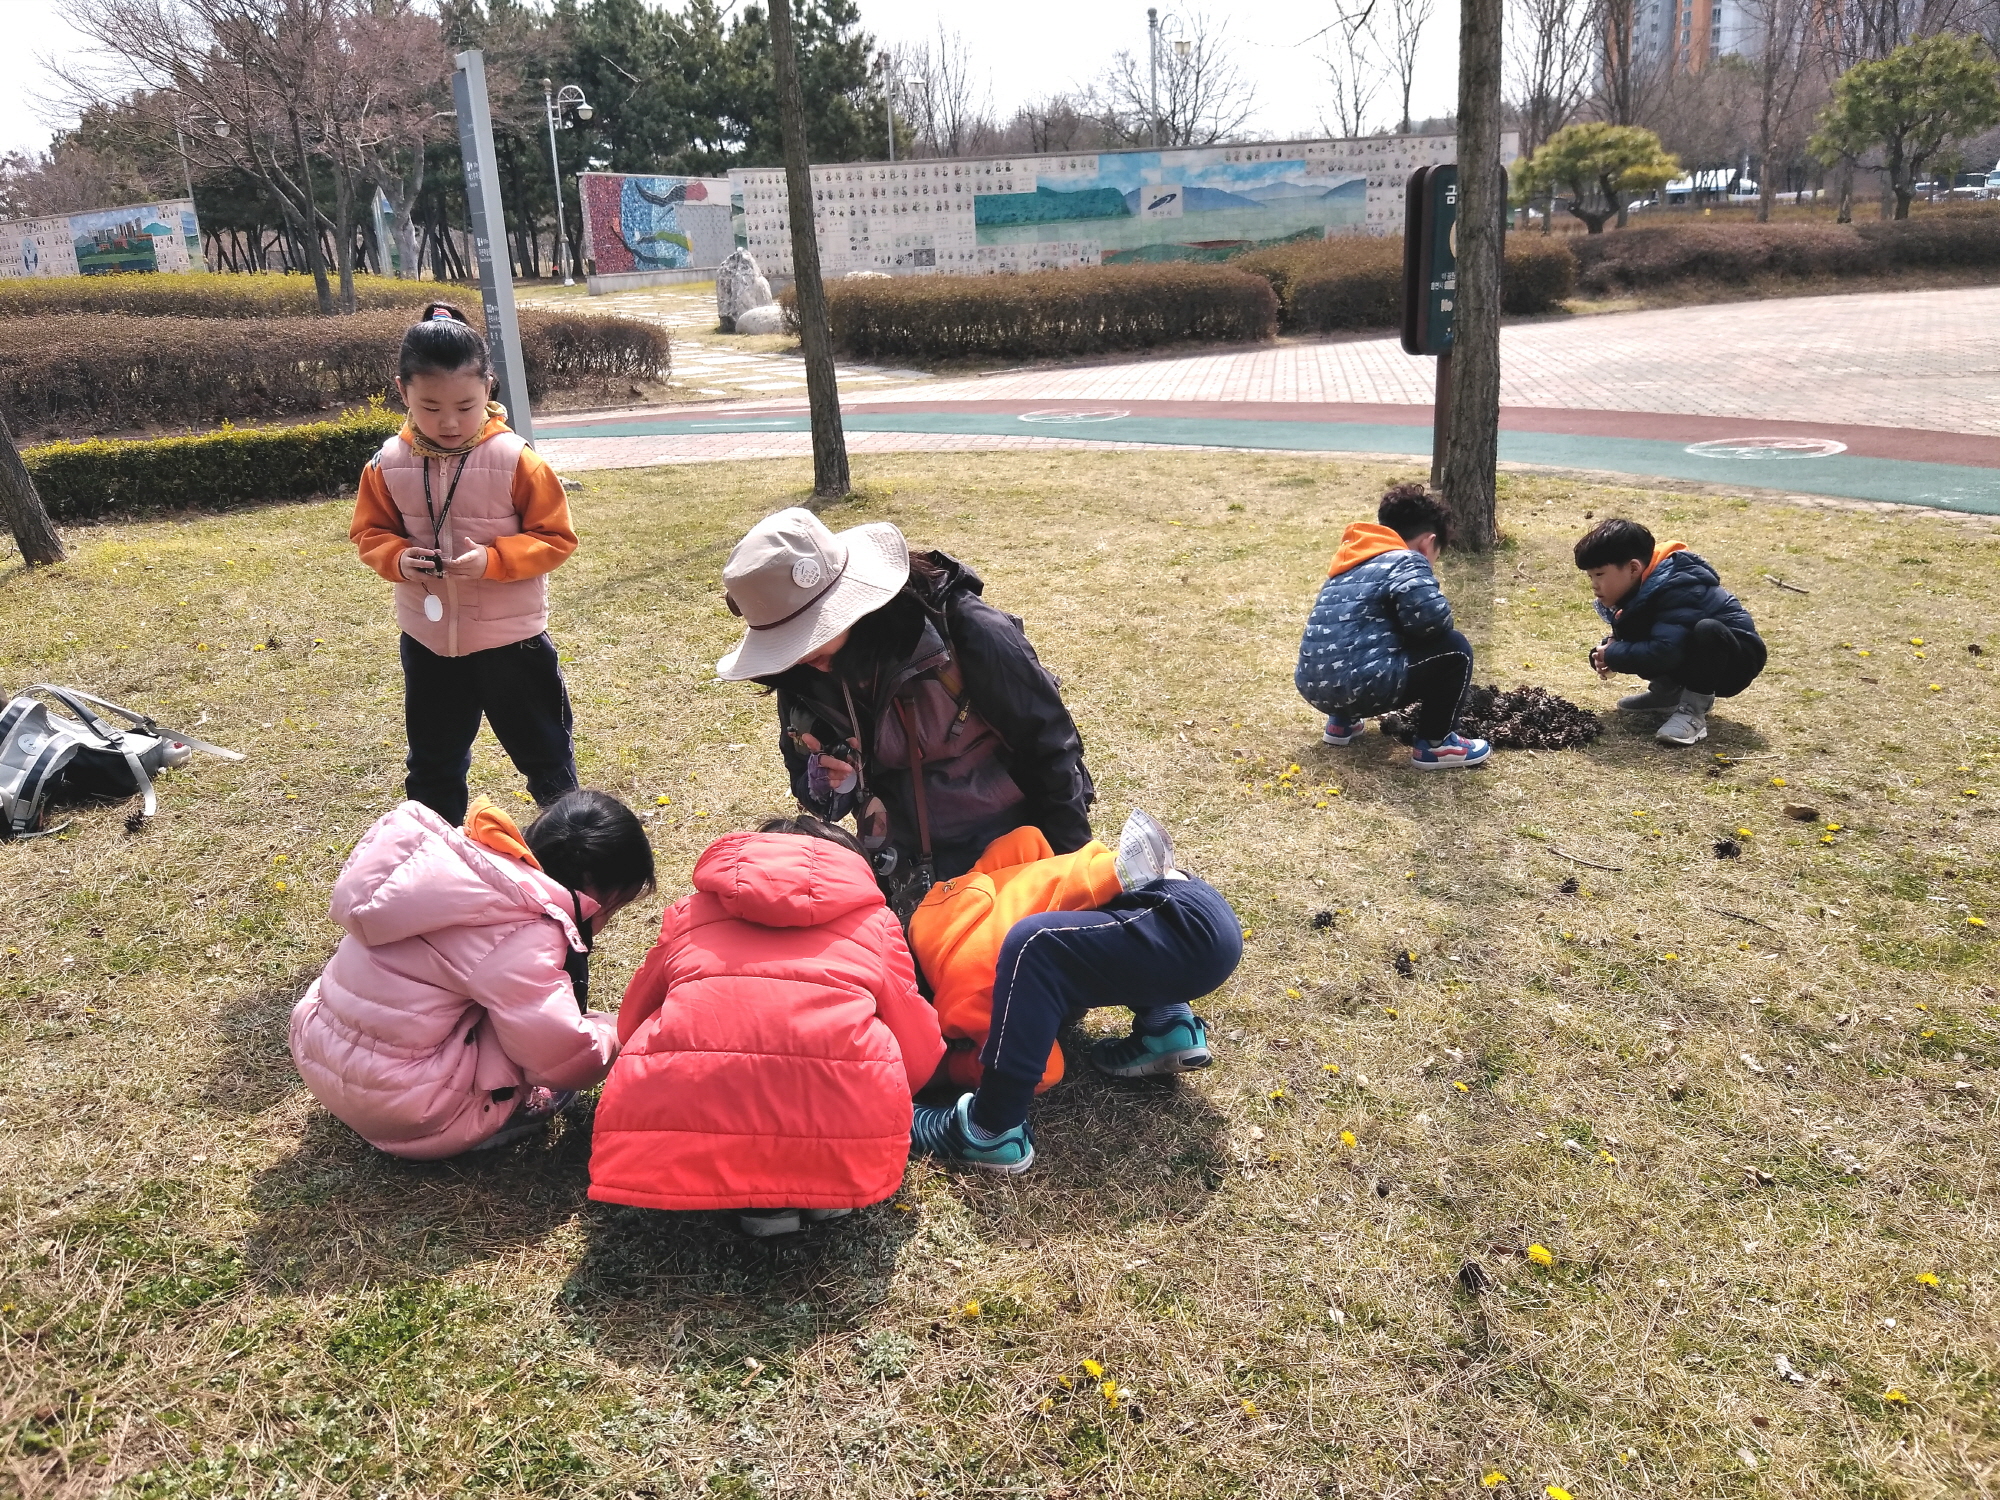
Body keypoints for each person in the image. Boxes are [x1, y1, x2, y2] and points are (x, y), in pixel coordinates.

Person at [587, 816, 944, 1237]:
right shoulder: (877, 924)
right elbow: (915, 1042)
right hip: (845, 1119)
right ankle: (822, 1184)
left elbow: (633, 1019)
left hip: (694, 1108)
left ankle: (753, 1195)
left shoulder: (688, 914)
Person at [715, 507, 1094, 894]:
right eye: (786, 645)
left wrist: (1073, 869)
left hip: (1014, 853)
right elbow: (812, 789)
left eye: (806, 637)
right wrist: (831, 780)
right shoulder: (799, 674)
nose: (798, 656)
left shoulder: (966, 629)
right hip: (901, 868)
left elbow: (1049, 749)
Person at [290, 789, 655, 1159]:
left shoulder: (450, 869)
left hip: (321, 1055)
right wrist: (614, 1031)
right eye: (614, 906)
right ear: (593, 887)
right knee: (537, 1029)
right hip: (405, 1108)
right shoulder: (523, 932)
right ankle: (513, 1111)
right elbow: (564, 1059)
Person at [906, 810, 1243, 1173]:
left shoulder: (961, 988)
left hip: (1177, 927)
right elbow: (1026, 837)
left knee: (1032, 947)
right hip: (1183, 897)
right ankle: (1167, 1025)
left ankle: (990, 1129)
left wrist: (944, 1071)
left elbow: (1045, 1071)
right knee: (1087, 932)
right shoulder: (960, 891)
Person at [350, 302, 581, 826]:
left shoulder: (517, 459)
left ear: (489, 390)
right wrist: (398, 559)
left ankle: (573, 850)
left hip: (513, 644)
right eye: (429, 406)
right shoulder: (387, 463)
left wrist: (494, 560)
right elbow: (369, 533)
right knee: (433, 765)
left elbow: (557, 538)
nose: (449, 422)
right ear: (402, 391)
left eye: (466, 405)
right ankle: (437, 856)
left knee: (546, 760)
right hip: (429, 643)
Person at [1294, 483, 1492, 770]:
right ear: (1428, 542)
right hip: (1360, 686)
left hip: (1314, 687)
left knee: (1359, 639)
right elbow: (1432, 622)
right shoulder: (1408, 560)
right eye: (1435, 556)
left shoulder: (1349, 562)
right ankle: (1437, 744)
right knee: (1455, 649)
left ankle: (1342, 723)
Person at [1575, 517, 1766, 746]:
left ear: (1634, 568)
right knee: (1643, 633)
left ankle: (1692, 713)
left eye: (1599, 574)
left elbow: (1665, 651)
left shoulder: (1678, 586)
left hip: (1733, 662)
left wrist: (1615, 653)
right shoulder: (1641, 588)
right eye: (1590, 576)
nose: (1594, 584)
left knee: (1706, 631)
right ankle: (1667, 695)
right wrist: (1607, 650)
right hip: (1687, 652)